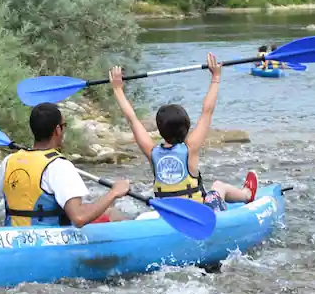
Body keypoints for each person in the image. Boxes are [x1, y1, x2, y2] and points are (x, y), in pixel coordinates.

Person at [109, 53, 258, 213]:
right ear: (187, 127)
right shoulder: (191, 148)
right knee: (218, 186)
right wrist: (215, 77)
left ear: (159, 130)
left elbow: (132, 119)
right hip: (198, 213)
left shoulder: (151, 152)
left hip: (168, 213)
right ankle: (247, 194)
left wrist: (117, 89)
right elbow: (207, 111)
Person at [0, 103, 129, 227]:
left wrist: (0, 171)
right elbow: (79, 218)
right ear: (58, 130)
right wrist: (114, 193)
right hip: (49, 241)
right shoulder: (59, 166)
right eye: (64, 125)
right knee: (112, 213)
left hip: (12, 238)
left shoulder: (10, 160)